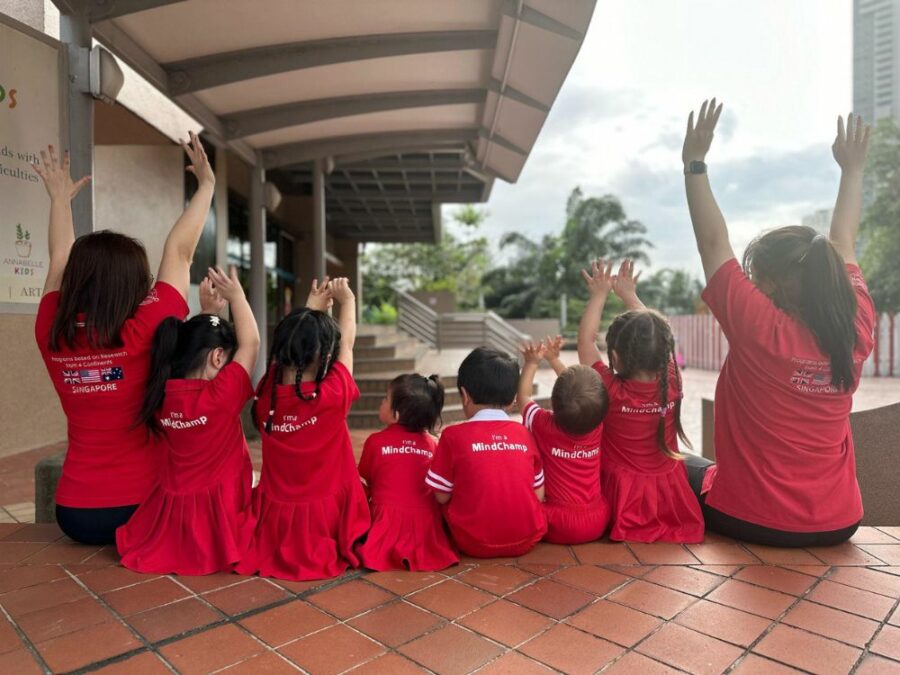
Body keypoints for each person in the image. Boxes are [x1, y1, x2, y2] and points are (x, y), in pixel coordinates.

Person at [680, 99, 875, 546]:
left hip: (752, 518)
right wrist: (852, 171)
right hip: (839, 522)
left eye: (753, 276)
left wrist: (694, 163)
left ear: (770, 285)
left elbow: (712, 242)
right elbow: (844, 240)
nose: (748, 283)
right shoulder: (857, 326)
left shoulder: (760, 329)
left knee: (672, 463)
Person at [32, 134, 215, 544]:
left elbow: (59, 257)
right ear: (132, 285)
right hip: (145, 508)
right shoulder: (142, 329)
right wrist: (206, 186)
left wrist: (58, 199)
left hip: (75, 514)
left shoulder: (52, 330)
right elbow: (180, 251)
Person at [116, 267, 259, 574]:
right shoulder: (222, 395)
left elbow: (199, 354)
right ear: (218, 357)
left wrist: (208, 314)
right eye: (227, 359)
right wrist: (237, 297)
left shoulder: (162, 394)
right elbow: (252, 344)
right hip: (220, 508)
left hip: (173, 507)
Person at [236, 278, 371, 581]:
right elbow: (347, 345)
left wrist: (310, 311)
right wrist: (348, 301)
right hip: (325, 517)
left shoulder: (266, 395)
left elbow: (290, 354)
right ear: (326, 358)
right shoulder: (331, 395)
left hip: (277, 518)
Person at [577, 260, 704, 543]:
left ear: (615, 356)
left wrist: (598, 295)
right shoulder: (672, 380)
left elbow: (585, 341)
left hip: (624, 495)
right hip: (670, 496)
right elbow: (658, 336)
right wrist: (629, 294)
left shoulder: (610, 389)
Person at [426, 347, 547, 558]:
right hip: (528, 538)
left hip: (472, 542)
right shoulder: (525, 434)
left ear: (464, 396)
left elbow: (442, 496)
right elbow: (539, 495)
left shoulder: (452, 436)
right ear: (512, 400)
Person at [357, 374, 458, 571]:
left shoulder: (375, 442)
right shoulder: (433, 444)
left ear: (396, 414)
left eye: (386, 398)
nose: (382, 402)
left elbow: (369, 478)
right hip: (425, 524)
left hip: (385, 521)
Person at [517, 337, 610, 544]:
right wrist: (554, 360)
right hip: (598, 519)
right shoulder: (596, 425)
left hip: (556, 521)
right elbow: (579, 399)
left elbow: (523, 398)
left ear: (553, 402)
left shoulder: (543, 424)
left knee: (523, 507)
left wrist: (531, 362)